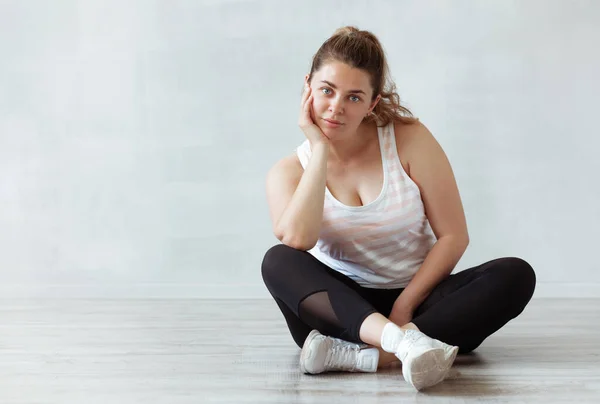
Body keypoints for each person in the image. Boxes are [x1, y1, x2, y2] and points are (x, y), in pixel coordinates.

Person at [261, 26, 536, 391]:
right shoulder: (288, 171)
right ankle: (404, 346)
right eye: (327, 90)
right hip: (340, 310)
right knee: (277, 260)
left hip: (420, 304)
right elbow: (298, 238)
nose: (336, 108)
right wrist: (320, 150)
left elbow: (454, 236)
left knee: (515, 275)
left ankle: (365, 357)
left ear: (373, 103)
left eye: (354, 97)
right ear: (307, 85)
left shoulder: (408, 139)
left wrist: (404, 309)